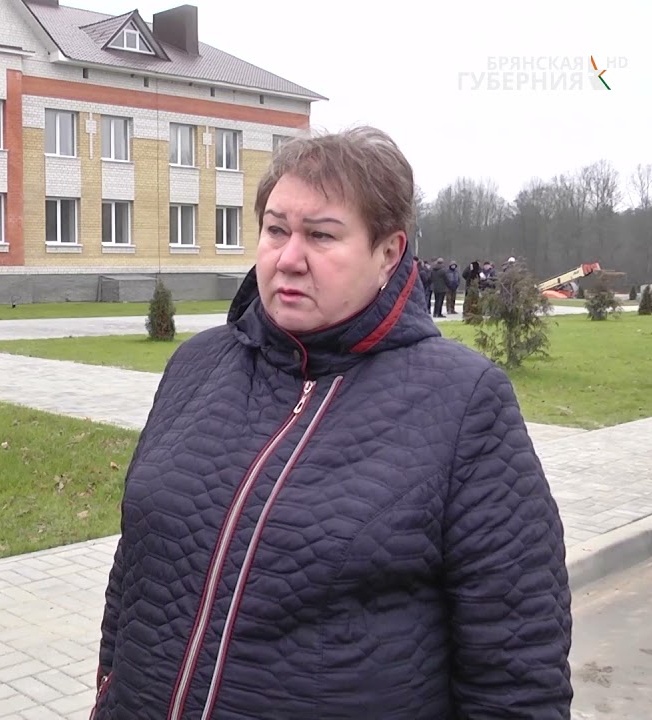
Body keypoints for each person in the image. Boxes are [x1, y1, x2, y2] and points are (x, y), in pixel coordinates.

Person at [93, 126, 572, 719]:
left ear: (388, 253)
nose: (289, 258)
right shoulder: (197, 365)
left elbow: (518, 667)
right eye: (276, 230)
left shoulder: (464, 403)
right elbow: (133, 574)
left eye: (321, 235)